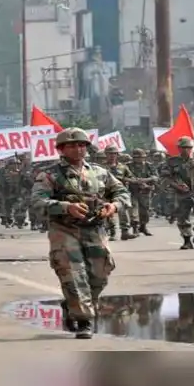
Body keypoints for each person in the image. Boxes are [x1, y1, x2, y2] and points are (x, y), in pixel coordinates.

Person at [31, 128, 131, 339]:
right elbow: (38, 202)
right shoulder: (50, 175)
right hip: (65, 230)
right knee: (74, 275)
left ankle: (72, 306)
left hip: (95, 228)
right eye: (72, 145)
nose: (78, 149)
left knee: (100, 273)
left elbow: (122, 192)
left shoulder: (100, 172)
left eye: (82, 145)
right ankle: (84, 319)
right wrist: (66, 206)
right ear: (61, 149)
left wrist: (113, 206)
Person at [161, 136, 194, 249]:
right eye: (183, 147)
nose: (186, 150)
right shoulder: (172, 162)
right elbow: (165, 178)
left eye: (189, 147)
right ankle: (187, 240)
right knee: (183, 217)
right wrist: (177, 185)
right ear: (179, 148)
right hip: (181, 192)